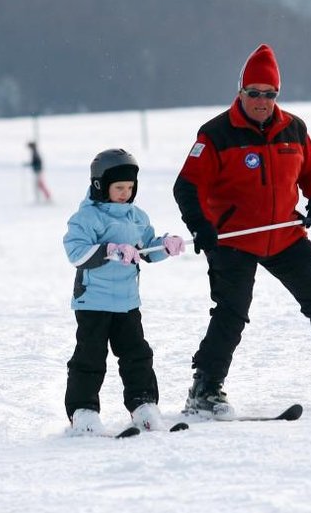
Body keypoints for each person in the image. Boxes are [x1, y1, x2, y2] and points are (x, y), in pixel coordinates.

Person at [172, 43, 311, 419]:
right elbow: (186, 187)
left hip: (284, 233)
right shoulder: (216, 134)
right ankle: (204, 388)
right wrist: (201, 226)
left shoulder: (293, 128)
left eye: (270, 94)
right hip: (233, 240)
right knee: (232, 312)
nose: (262, 101)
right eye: (254, 93)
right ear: (240, 91)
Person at [63, 148, 186, 434]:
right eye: (119, 187)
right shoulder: (87, 218)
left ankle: (143, 405)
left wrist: (166, 245)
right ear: (100, 186)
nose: (125, 193)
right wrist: (111, 251)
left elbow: (147, 249)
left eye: (130, 188)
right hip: (93, 301)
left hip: (127, 301)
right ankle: (84, 413)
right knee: (90, 357)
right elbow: (76, 253)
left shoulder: (136, 217)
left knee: (137, 354)